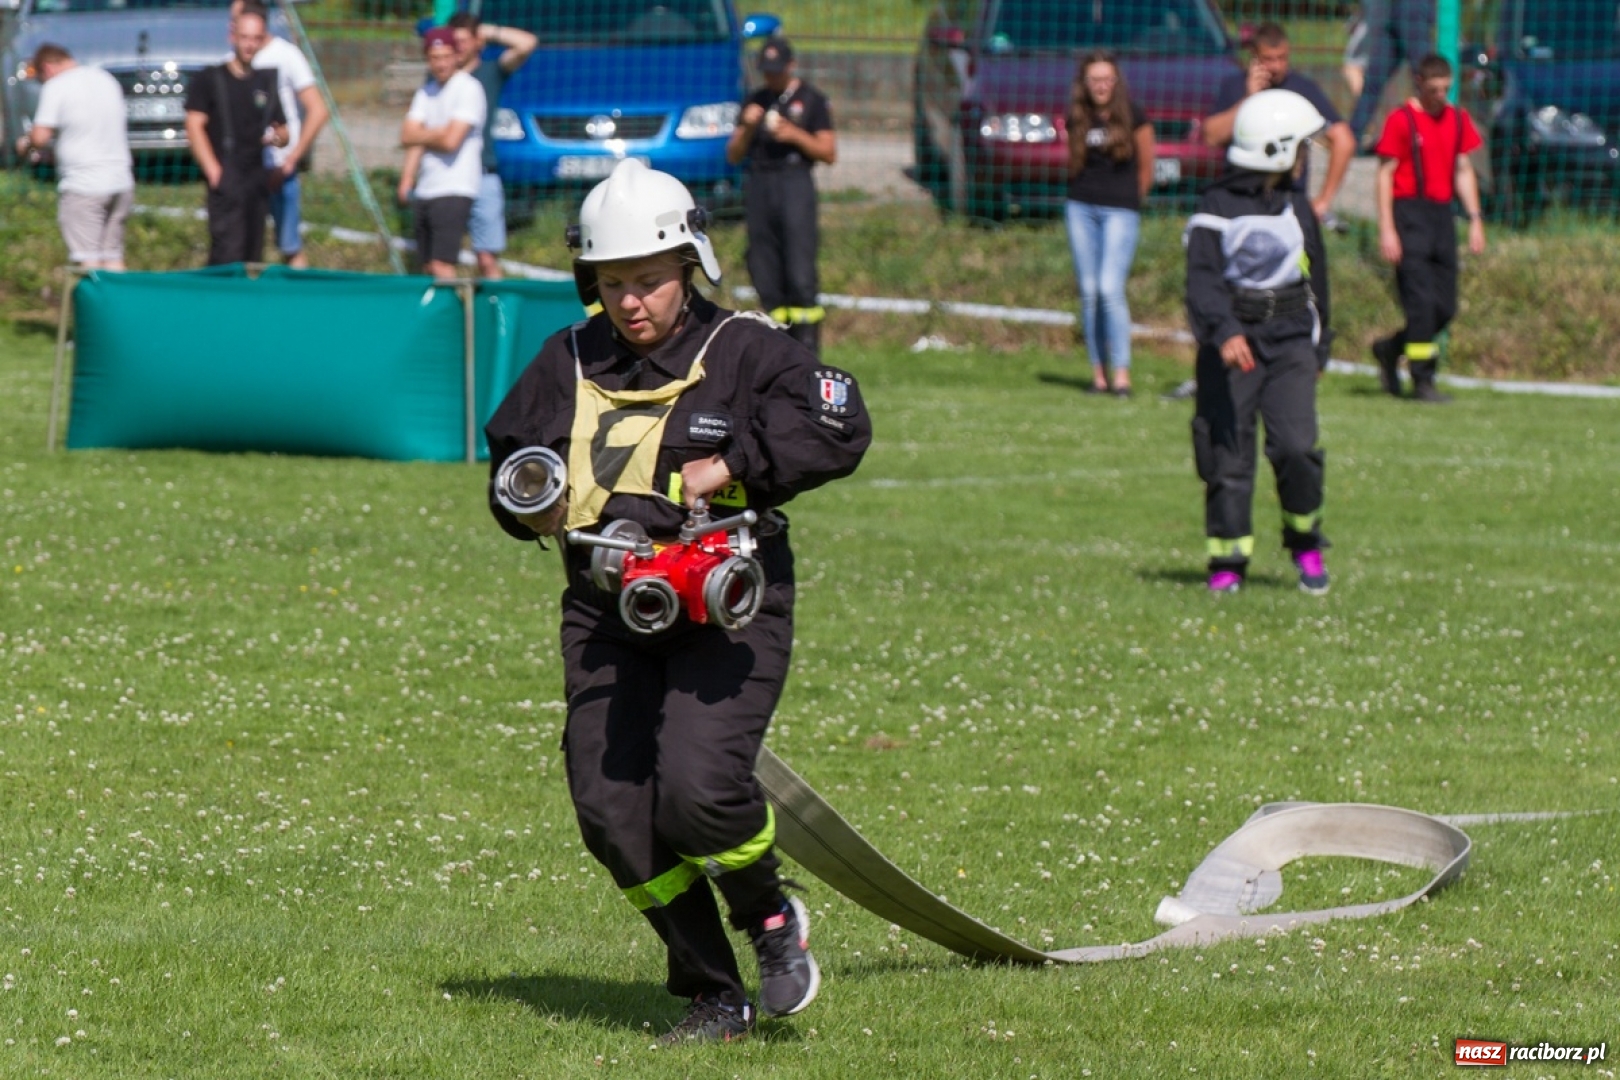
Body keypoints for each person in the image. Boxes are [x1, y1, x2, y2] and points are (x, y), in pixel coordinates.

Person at [484, 159, 870, 1044]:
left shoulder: (743, 347)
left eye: (648, 281)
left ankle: (771, 921)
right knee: (612, 814)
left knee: (697, 791)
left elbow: (840, 420)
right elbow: (513, 465)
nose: (630, 302)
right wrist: (524, 501)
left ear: (689, 263)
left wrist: (735, 463)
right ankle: (715, 994)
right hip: (603, 609)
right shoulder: (566, 358)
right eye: (612, 283)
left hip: (727, 602)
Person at [1185, 89, 1333, 596]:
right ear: (1276, 151)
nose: (1307, 155)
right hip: (1235, 341)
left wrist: (1321, 346)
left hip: (1290, 338)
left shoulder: (1296, 205)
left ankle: (1305, 540)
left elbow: (1318, 275)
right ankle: (1228, 559)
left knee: (1295, 447)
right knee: (1227, 453)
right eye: (1301, 146)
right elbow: (1202, 281)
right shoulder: (1216, 207)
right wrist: (1224, 332)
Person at [1370, 54, 1485, 404]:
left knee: (1445, 308)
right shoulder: (1400, 121)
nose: (1441, 97)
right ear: (1418, 83)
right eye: (1434, 90)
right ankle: (1423, 380)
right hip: (1409, 216)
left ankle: (1390, 349)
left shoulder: (1457, 119)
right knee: (1420, 306)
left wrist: (1475, 219)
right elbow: (1385, 174)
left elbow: (1463, 169)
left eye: (1446, 90)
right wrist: (1387, 228)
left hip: (1441, 218)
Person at [725, 35, 836, 354]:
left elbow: (828, 152)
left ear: (791, 65)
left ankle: (808, 349)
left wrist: (793, 134)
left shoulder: (812, 100)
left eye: (777, 70)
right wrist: (747, 128)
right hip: (760, 182)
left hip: (795, 181)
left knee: (800, 271)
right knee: (764, 267)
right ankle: (777, 347)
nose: (771, 77)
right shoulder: (754, 101)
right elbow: (732, 155)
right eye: (766, 70)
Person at [1063, 51, 1154, 397]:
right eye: (1094, 80)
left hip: (1120, 209)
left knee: (1109, 289)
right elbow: (1073, 160)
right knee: (1088, 292)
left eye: (1107, 79)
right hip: (1080, 207)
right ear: (1084, 84)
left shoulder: (1134, 114)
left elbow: (1147, 165)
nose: (1101, 86)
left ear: (1116, 82)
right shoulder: (1076, 116)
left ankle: (1122, 375)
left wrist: (1132, 200)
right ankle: (1098, 375)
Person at [1202, 22, 1355, 227]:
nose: (1276, 66)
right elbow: (1211, 136)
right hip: (1240, 198)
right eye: (1268, 59)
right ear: (1254, 56)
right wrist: (1248, 99)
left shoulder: (1303, 90)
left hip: (1289, 201)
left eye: (1282, 58)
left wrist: (1323, 201)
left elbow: (1344, 140)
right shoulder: (1235, 87)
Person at [431, 11, 538, 280]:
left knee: (487, 257)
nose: (460, 46)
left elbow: (527, 43)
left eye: (466, 40)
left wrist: (487, 31)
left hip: (482, 174)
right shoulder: (440, 76)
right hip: (447, 175)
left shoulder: (491, 72)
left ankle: (496, 312)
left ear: (478, 41)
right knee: (441, 258)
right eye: (456, 40)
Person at [183, 0, 288, 266]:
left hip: (256, 175)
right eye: (244, 38)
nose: (249, 45)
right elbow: (194, 124)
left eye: (256, 39)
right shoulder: (211, 78)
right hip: (226, 174)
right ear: (233, 36)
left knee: (253, 255)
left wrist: (279, 138)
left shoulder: (266, 81)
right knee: (227, 251)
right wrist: (213, 171)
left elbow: (283, 128)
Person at [227, 0, 328, 269]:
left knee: (289, 246)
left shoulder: (286, 55)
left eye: (237, 20)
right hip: (247, 172)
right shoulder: (234, 62)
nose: (232, 28)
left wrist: (292, 158)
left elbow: (318, 110)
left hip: (280, 170)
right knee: (244, 247)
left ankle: (302, 303)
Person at [15, 44, 134, 270]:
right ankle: (122, 304)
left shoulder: (57, 86)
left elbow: (40, 137)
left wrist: (25, 144)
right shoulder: (105, 79)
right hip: (121, 181)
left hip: (84, 185)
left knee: (87, 262)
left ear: (47, 68)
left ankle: (92, 305)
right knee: (112, 257)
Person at [397, 27, 485, 280]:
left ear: (457, 56)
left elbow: (450, 142)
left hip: (455, 187)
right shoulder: (426, 92)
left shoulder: (468, 88)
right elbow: (407, 137)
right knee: (426, 268)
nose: (441, 63)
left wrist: (424, 134)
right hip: (426, 187)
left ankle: (456, 319)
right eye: (435, 57)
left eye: (446, 56)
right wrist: (407, 178)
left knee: (442, 265)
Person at [1347, 0, 1434, 146]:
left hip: (1413, 9)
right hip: (1391, 10)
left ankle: (1433, 135)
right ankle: (1352, 138)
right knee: (1373, 78)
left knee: (1423, 76)